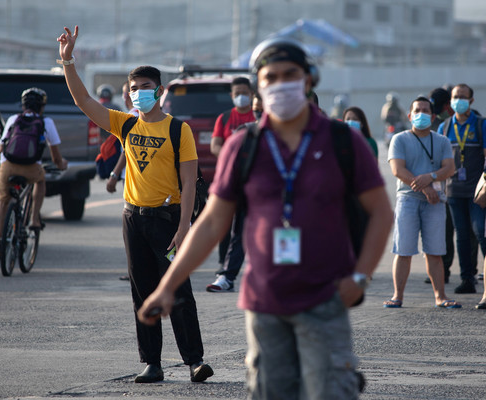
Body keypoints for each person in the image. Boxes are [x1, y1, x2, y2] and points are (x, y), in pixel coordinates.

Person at [138, 37, 393, 399]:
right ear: (260, 84)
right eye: (271, 77)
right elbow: (211, 223)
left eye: (290, 75)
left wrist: (360, 277)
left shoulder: (341, 142)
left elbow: (382, 213)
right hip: (264, 304)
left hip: (326, 297)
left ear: (309, 80)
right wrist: (166, 287)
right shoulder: (244, 145)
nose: (281, 83)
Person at [57, 26, 213, 384]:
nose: (138, 93)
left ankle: (194, 361)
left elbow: (189, 181)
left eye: (145, 88)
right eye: (133, 89)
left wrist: (184, 225)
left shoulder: (178, 130)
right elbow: (84, 101)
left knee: (177, 289)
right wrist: (67, 60)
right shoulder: (124, 125)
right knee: (142, 291)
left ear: (158, 91)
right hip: (133, 220)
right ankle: (152, 364)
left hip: (169, 219)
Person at [384, 96, 458, 309]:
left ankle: (440, 296)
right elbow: (398, 170)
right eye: (417, 110)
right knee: (403, 250)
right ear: (409, 115)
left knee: (435, 251)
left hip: (435, 202)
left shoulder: (442, 141)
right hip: (408, 199)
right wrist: (425, 186)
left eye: (426, 111)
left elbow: (449, 168)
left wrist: (432, 177)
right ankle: (397, 295)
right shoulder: (399, 139)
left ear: (433, 116)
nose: (421, 114)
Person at [0, 88, 68, 258]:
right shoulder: (46, 122)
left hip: (8, 165)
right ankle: (34, 219)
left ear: (23, 104)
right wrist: (61, 165)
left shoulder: (13, 119)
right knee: (40, 181)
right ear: (42, 106)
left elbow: (2, 148)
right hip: (31, 167)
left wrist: (0, 162)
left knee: (3, 202)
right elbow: (56, 157)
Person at [207, 76, 256, 292]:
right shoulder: (226, 117)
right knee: (236, 228)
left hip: (264, 185)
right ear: (232, 95)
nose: (241, 96)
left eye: (245, 91)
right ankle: (227, 274)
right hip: (236, 181)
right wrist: (232, 156)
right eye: (237, 93)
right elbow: (215, 144)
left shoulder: (262, 117)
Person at [437, 83, 486, 294]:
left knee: (480, 233)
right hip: (453, 190)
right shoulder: (445, 127)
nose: (459, 100)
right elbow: (438, 160)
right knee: (462, 236)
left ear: (471, 101)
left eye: (463, 97)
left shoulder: (481, 124)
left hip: (477, 192)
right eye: (456, 97)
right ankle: (467, 278)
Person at [106, 81, 139, 195]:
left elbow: (127, 150)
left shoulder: (131, 117)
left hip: (131, 175)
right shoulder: (144, 116)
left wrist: (114, 175)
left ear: (126, 96)